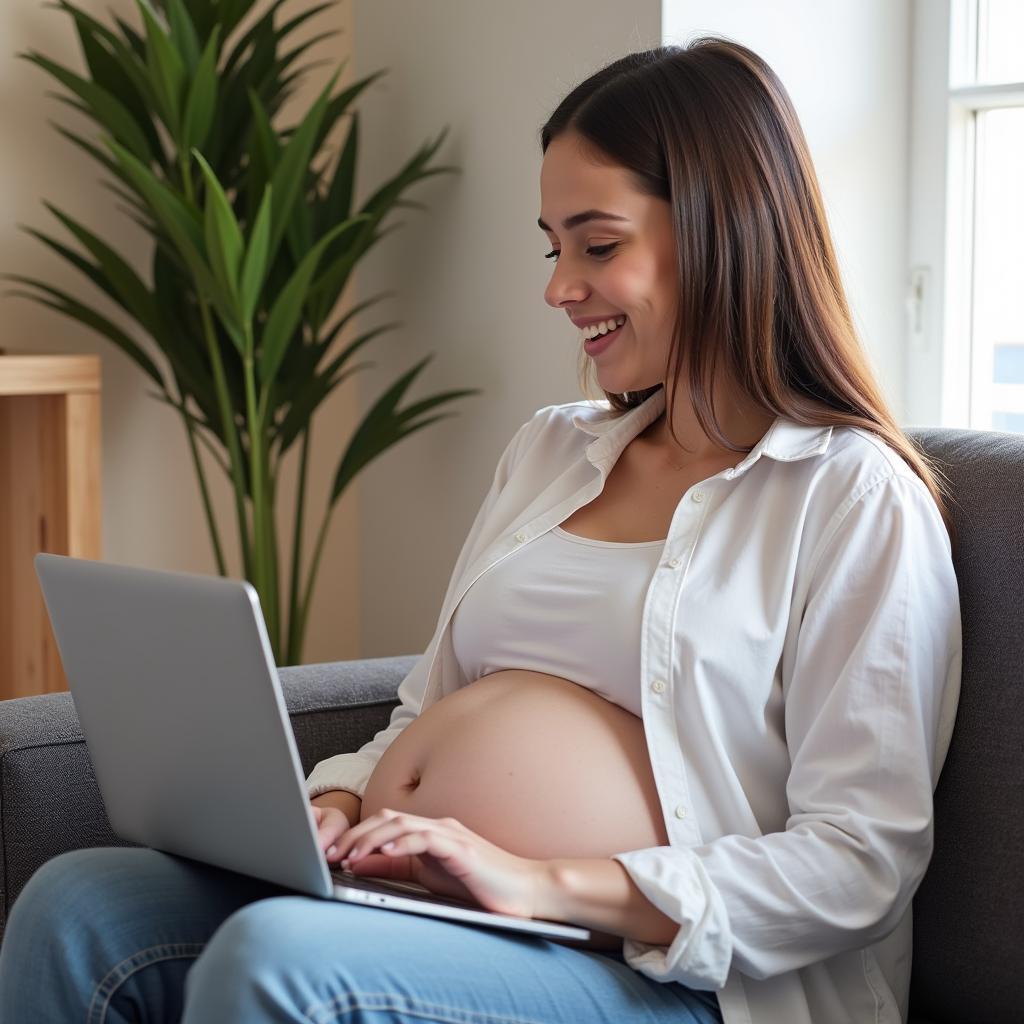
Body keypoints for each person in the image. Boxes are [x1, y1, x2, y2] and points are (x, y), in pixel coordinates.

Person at [0, 37, 961, 1024]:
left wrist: (540, 880)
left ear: (725, 229)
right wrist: (338, 799)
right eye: (554, 247)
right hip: (443, 905)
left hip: (679, 976)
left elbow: (857, 862)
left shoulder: (850, 497)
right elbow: (427, 705)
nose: (558, 287)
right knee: (79, 905)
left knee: (278, 960)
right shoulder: (551, 452)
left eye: (597, 245)